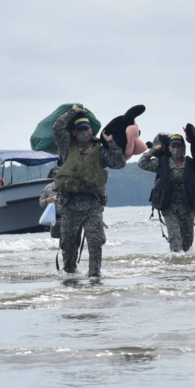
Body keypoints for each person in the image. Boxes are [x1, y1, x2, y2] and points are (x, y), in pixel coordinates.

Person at [52, 105, 127, 277]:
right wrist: (73, 111)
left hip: (93, 204)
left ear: (91, 130)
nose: (84, 132)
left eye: (86, 129)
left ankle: (95, 276)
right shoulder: (66, 148)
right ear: (74, 132)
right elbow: (57, 129)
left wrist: (110, 142)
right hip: (70, 204)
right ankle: (70, 276)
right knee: (68, 244)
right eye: (80, 129)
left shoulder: (100, 150)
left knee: (95, 242)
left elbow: (119, 163)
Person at [138, 133, 195, 252]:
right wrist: (155, 149)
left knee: (187, 242)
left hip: (188, 206)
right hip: (169, 206)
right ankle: (175, 260)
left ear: (184, 147)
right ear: (169, 148)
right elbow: (142, 163)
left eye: (179, 146)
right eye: (173, 146)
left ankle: (184, 263)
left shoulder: (191, 163)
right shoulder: (162, 163)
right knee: (175, 237)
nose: (176, 149)